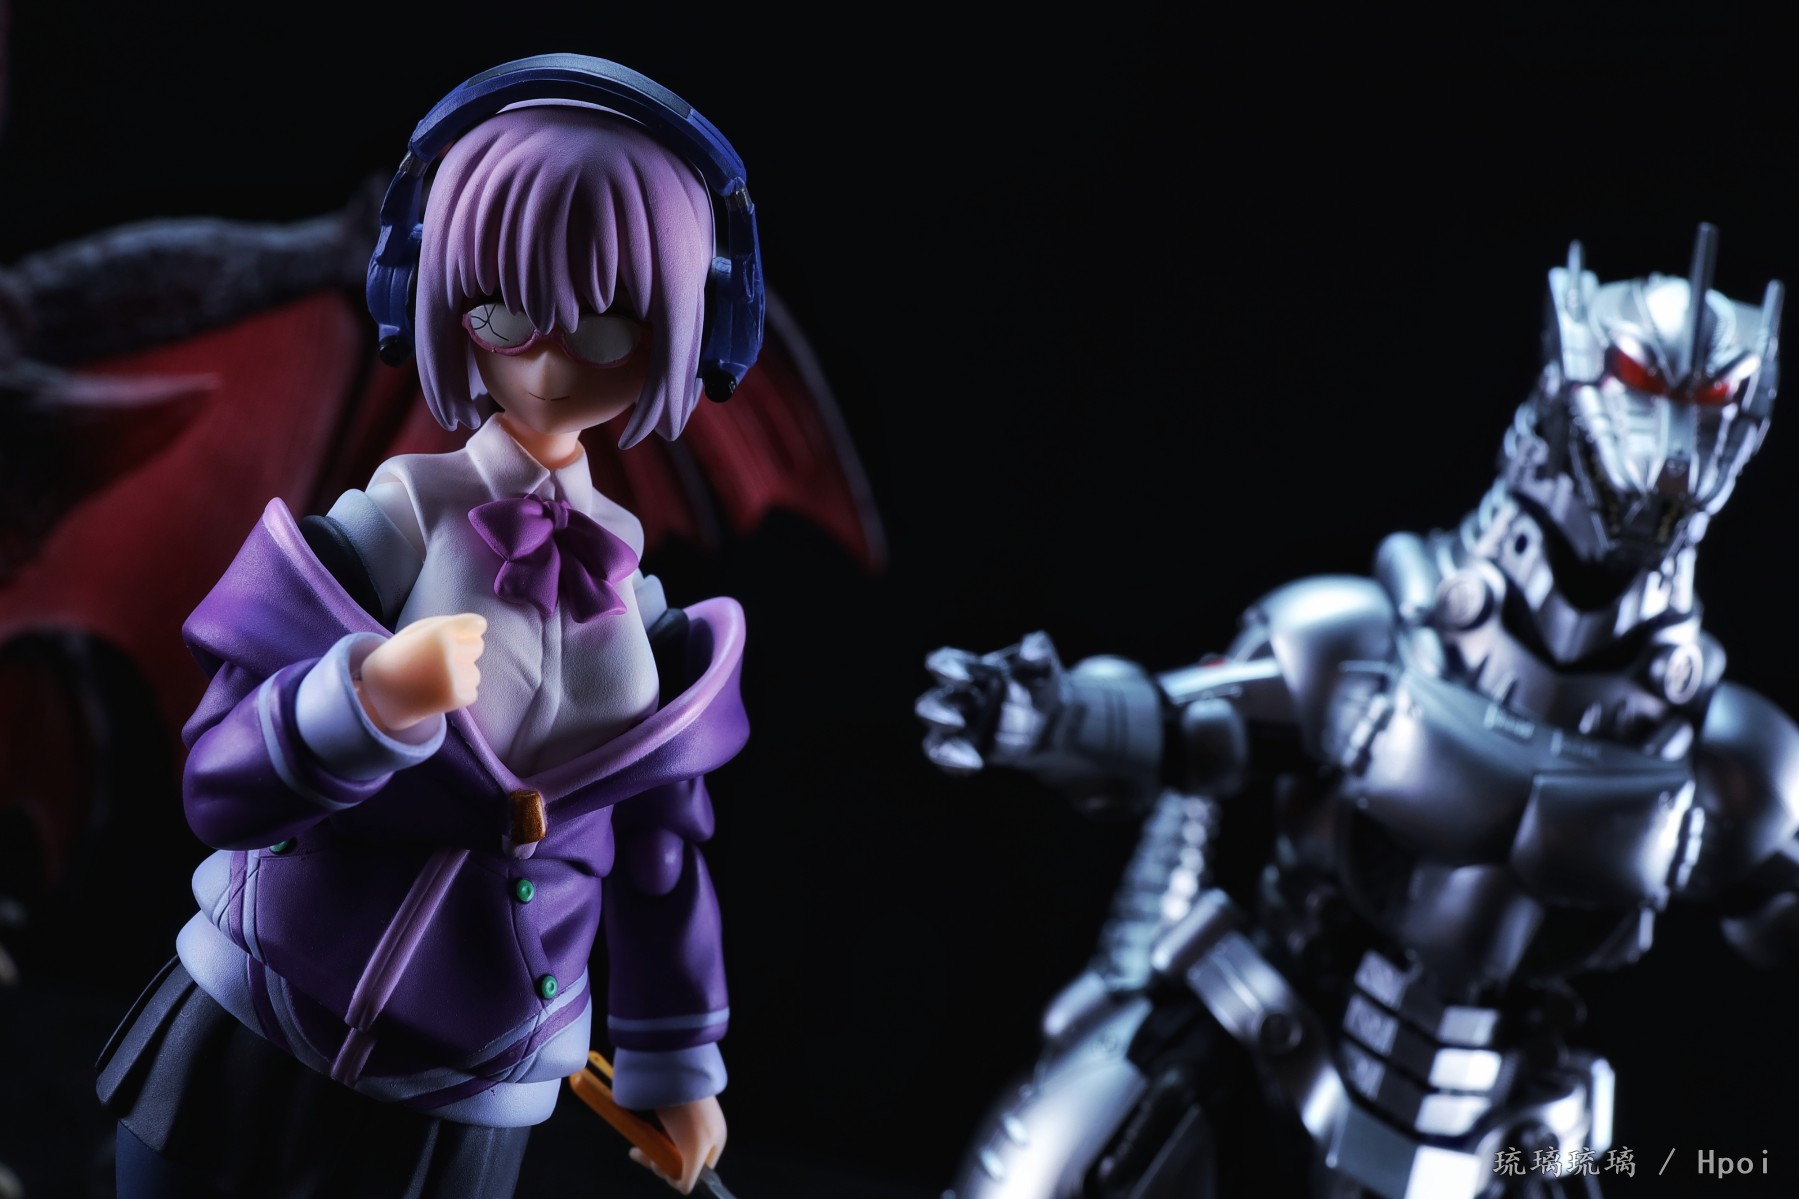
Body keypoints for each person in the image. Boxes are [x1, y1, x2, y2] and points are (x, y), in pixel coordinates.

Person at [97, 56, 758, 1198]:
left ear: (693, 325)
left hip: (474, 1076)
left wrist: (674, 1058)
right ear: (436, 289)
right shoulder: (393, 525)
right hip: (266, 1010)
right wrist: (360, 701)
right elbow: (218, 780)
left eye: (606, 328)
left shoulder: (642, 608)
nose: (545, 362)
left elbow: (657, 856)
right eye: (504, 311)